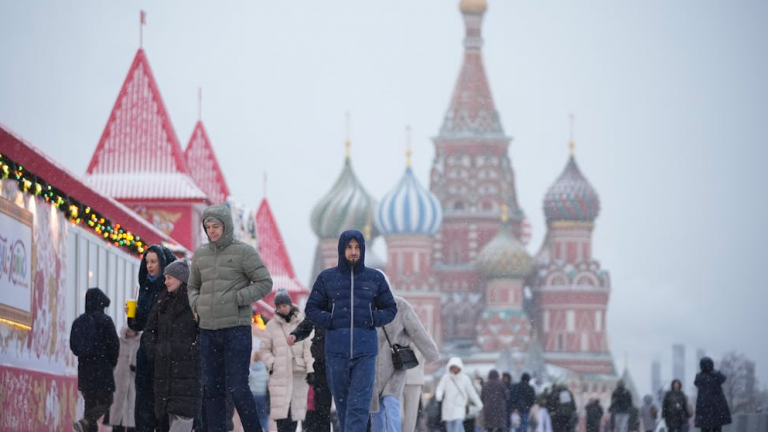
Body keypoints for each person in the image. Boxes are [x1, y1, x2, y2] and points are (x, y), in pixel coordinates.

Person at [188, 204, 274, 432]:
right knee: (212, 389)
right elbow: (192, 286)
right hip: (208, 330)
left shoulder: (244, 252)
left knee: (237, 387)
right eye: (208, 226)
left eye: (216, 226)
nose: (212, 230)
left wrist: (239, 298)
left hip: (236, 329)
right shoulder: (201, 254)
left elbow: (265, 282)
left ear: (226, 226)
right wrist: (197, 304)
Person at [304, 230, 397, 432]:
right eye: (349, 247)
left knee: (359, 405)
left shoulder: (375, 278)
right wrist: (330, 320)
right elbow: (311, 309)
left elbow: (391, 309)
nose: (353, 251)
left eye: (357, 247)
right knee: (344, 405)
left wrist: (373, 318)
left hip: (365, 353)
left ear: (362, 250)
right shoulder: (327, 278)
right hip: (336, 352)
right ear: (342, 249)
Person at [143, 259, 201, 432]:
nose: (166, 281)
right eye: (165, 278)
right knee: (169, 418)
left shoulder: (195, 303)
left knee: (183, 417)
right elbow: (149, 330)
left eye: (170, 278)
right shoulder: (162, 303)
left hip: (187, 374)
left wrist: (192, 352)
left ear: (181, 279)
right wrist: (155, 350)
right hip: (164, 372)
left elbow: (205, 332)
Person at [370, 295, 439, 432]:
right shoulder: (366, 304)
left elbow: (418, 332)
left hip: (396, 366)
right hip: (372, 366)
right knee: (376, 410)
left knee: (391, 402)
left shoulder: (400, 305)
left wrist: (431, 354)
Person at [129, 244, 176, 432]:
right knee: (144, 399)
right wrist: (132, 316)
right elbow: (139, 325)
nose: (149, 265)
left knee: (162, 400)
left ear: (162, 263)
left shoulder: (171, 287)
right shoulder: (145, 287)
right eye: (147, 261)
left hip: (164, 351)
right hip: (146, 352)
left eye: (153, 261)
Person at [260, 288, 314, 432]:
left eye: (284, 305)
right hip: (279, 376)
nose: (282, 309)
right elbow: (264, 349)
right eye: (279, 306)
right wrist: (273, 362)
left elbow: (308, 347)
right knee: (281, 418)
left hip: (298, 374)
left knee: (295, 416)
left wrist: (310, 369)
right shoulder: (271, 326)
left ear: (290, 304)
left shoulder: (302, 322)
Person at [71, 288, 120, 432]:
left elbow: (74, 346)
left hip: (85, 371)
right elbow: (114, 345)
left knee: (90, 404)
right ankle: (86, 421)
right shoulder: (105, 321)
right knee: (107, 400)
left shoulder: (80, 321)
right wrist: (112, 363)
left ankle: (86, 423)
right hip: (102, 371)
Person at [288, 319, 329, 432]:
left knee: (342, 405)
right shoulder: (319, 309)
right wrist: (296, 334)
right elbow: (308, 322)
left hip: (338, 361)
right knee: (321, 407)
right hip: (320, 363)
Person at [435, 357, 483, 432]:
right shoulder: (446, 378)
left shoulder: (465, 378)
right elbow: (440, 388)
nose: (455, 369)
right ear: (450, 368)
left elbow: (472, 392)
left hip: (460, 406)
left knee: (458, 425)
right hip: (448, 407)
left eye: (456, 367)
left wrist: (479, 404)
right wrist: (439, 395)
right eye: (453, 367)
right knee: (450, 428)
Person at [109, 324, 141, 432]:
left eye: (132, 330)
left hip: (133, 382)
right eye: (128, 330)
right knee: (118, 413)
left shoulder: (139, 343)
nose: (130, 333)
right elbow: (113, 360)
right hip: (119, 381)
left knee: (132, 414)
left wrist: (136, 368)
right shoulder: (119, 343)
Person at [694, 357, 732, 432]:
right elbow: (723, 378)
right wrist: (713, 372)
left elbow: (697, 382)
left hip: (704, 407)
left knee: (705, 428)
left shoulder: (700, 376)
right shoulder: (715, 375)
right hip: (717, 406)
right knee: (717, 427)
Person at [249, 352, 270, 431]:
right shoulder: (265, 369)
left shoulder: (250, 369)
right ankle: (265, 429)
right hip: (262, 395)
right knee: (263, 414)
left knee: (253, 414)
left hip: (253, 395)